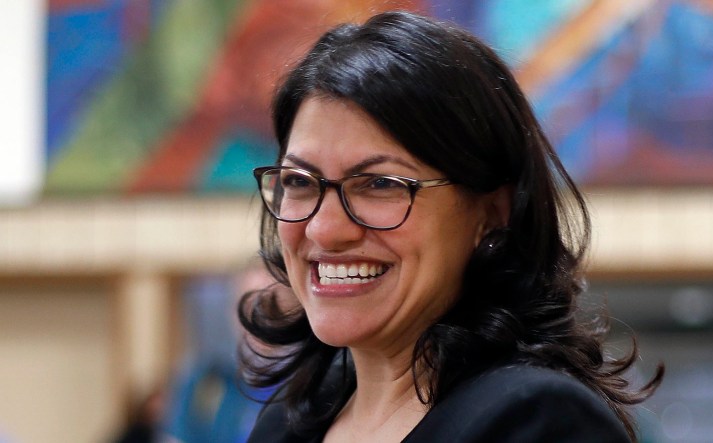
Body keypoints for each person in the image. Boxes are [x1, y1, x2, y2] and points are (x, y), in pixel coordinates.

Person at [239, 10, 663, 443]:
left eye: (381, 184)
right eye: (298, 181)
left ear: (492, 212)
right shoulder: (287, 422)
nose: (324, 230)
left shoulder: (538, 421)